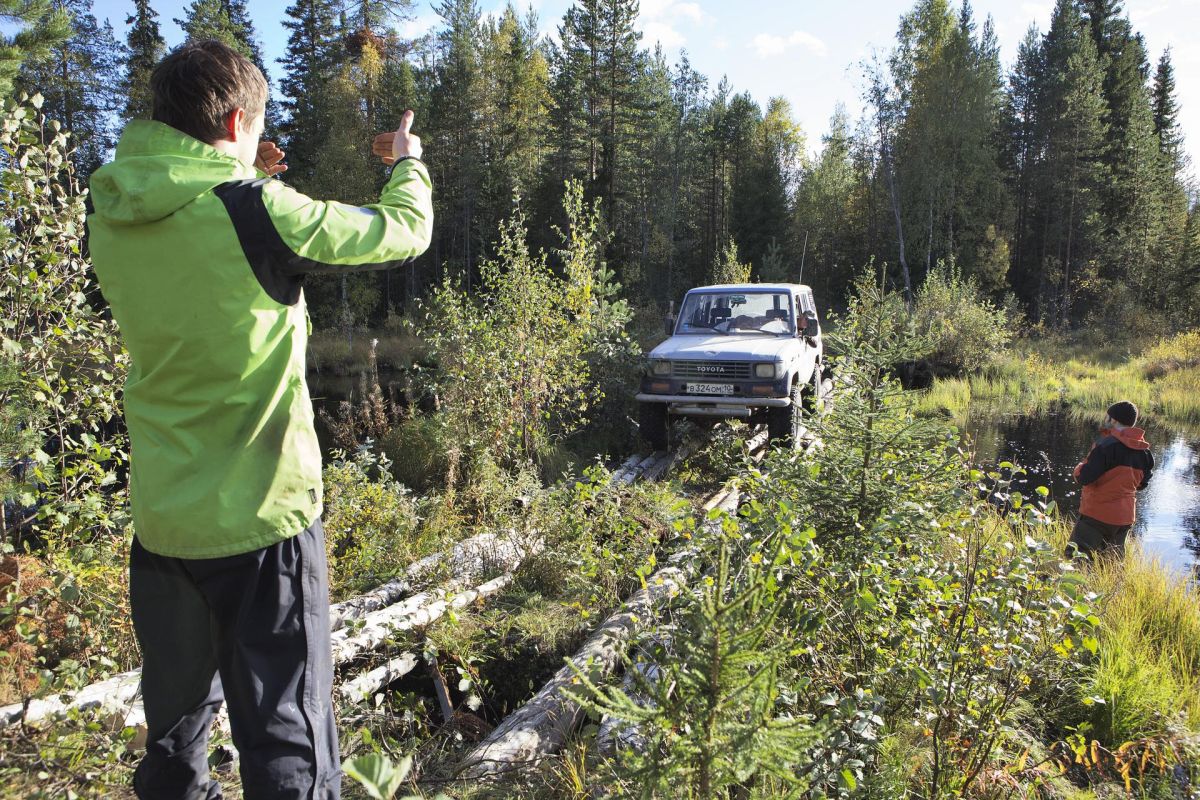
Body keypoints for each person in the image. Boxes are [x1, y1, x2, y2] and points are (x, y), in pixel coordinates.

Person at [86, 40, 432, 800]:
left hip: (164, 527)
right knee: (288, 740)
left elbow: (205, 258)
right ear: (239, 118)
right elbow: (402, 232)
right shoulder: (257, 212)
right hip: (263, 522)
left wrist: (247, 176)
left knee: (175, 740)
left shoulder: (110, 209)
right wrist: (407, 160)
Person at [1066, 401, 1154, 560]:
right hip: (1125, 518)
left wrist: (1079, 467)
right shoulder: (1145, 453)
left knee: (1076, 559)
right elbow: (1142, 484)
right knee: (1111, 564)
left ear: (1113, 420)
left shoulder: (1105, 446)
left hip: (1096, 515)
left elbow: (1084, 478)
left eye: (1108, 417)